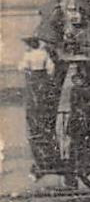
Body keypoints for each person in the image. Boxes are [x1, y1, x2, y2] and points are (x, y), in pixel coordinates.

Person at [18, 35, 59, 175]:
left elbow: (21, 67)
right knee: (43, 99)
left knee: (35, 102)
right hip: (43, 79)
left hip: (34, 80)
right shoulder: (43, 54)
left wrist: (29, 71)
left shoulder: (29, 55)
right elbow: (51, 68)